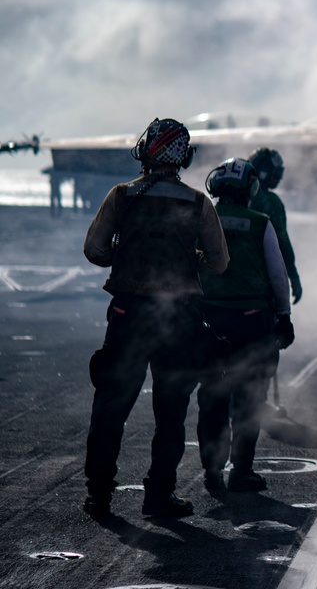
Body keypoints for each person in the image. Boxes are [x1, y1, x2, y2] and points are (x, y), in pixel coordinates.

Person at [82, 117, 229, 519]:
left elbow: (94, 251)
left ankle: (99, 494)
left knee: (111, 405)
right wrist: (191, 258)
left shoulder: (122, 195)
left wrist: (125, 255)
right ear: (183, 157)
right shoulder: (198, 202)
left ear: (147, 150)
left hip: (128, 314)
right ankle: (158, 496)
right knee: (171, 412)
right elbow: (219, 263)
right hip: (177, 319)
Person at [196, 158, 296, 494]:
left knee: (212, 396)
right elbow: (277, 275)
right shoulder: (260, 222)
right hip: (253, 324)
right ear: (249, 188)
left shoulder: (203, 217)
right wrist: (284, 316)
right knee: (249, 398)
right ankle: (242, 471)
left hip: (210, 322)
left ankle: (212, 471)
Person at [247, 147, 302, 304]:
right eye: (276, 172)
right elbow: (282, 242)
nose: (279, 177)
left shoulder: (235, 195)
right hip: (260, 281)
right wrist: (294, 276)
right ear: (264, 172)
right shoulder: (271, 202)